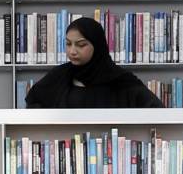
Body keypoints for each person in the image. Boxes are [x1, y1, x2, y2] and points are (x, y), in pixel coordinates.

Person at [24, 16, 164, 108]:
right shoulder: (58, 76)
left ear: (97, 46)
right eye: (68, 44)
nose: (72, 51)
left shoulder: (121, 81)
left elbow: (155, 111)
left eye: (81, 45)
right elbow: (33, 104)